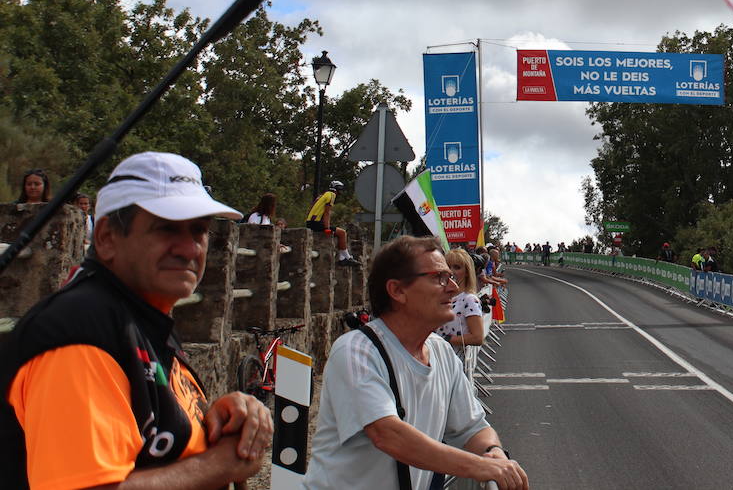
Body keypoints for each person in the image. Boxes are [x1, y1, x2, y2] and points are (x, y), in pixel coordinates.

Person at [0, 151, 272, 489]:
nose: (190, 249)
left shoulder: (140, 316)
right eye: (166, 229)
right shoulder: (79, 333)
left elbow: (153, 433)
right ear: (106, 238)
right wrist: (219, 465)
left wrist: (216, 417)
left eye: (199, 230)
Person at [304, 236, 528, 490]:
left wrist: (493, 452)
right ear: (398, 290)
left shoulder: (442, 352)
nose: (453, 287)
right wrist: (481, 467)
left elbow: (473, 427)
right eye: (438, 277)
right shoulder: (356, 350)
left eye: (451, 276)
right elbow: (388, 435)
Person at [435, 249, 485, 350]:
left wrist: (445, 339)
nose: (451, 271)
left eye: (457, 267)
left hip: (453, 359)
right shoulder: (439, 297)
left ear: (467, 272)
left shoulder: (469, 299)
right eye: (448, 266)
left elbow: (477, 338)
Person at [306, 180, 362, 266]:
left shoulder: (324, 195)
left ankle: (343, 258)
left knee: (339, 232)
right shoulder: (332, 195)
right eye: (341, 190)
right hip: (316, 223)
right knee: (342, 233)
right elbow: (327, 213)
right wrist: (327, 228)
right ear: (337, 189)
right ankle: (346, 258)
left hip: (310, 222)